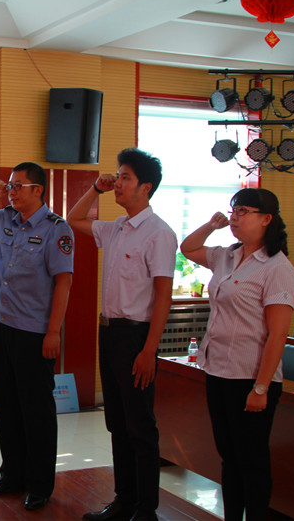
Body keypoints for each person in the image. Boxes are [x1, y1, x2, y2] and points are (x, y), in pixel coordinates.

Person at [67, 148, 176, 521]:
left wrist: (149, 350)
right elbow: (74, 218)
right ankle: (124, 501)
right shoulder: (114, 228)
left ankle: (146, 509)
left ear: (146, 187)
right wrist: (95, 189)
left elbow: (164, 296)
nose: (118, 182)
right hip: (110, 334)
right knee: (116, 421)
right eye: (118, 176)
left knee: (140, 426)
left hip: (136, 338)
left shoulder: (159, 233)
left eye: (125, 177)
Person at [0, 162, 73, 511]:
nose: (12, 192)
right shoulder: (2, 219)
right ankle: (12, 475)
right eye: (10, 185)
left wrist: (54, 332)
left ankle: (39, 484)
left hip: (35, 333)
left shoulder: (56, 229)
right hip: (1, 327)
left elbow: (63, 283)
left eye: (18, 186)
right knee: (6, 406)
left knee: (36, 411)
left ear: (38, 190)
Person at [180, 188, 294, 521]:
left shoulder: (277, 268)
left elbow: (278, 334)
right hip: (218, 371)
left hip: (250, 378)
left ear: (267, 219)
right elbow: (188, 248)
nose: (235, 218)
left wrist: (261, 388)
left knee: (252, 459)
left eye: (243, 211)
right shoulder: (226, 256)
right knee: (228, 456)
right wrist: (211, 224)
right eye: (233, 211)